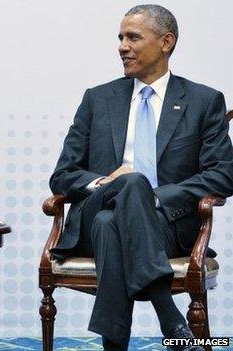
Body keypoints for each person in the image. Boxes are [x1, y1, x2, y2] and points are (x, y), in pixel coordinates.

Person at [49, 5, 233, 351]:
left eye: (133, 37)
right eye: (120, 37)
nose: (122, 46)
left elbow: (223, 175)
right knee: (129, 185)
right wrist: (109, 183)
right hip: (90, 217)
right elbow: (62, 176)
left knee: (110, 224)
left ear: (166, 42)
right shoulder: (98, 99)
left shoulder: (203, 101)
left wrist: (157, 196)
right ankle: (171, 320)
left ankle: (114, 345)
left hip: (167, 225)